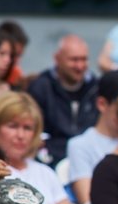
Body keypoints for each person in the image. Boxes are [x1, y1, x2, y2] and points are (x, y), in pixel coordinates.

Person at [27, 35, 100, 166]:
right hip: (50, 159)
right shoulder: (40, 87)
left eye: (84, 59)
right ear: (57, 59)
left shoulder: (96, 88)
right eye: (74, 60)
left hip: (89, 158)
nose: (80, 66)